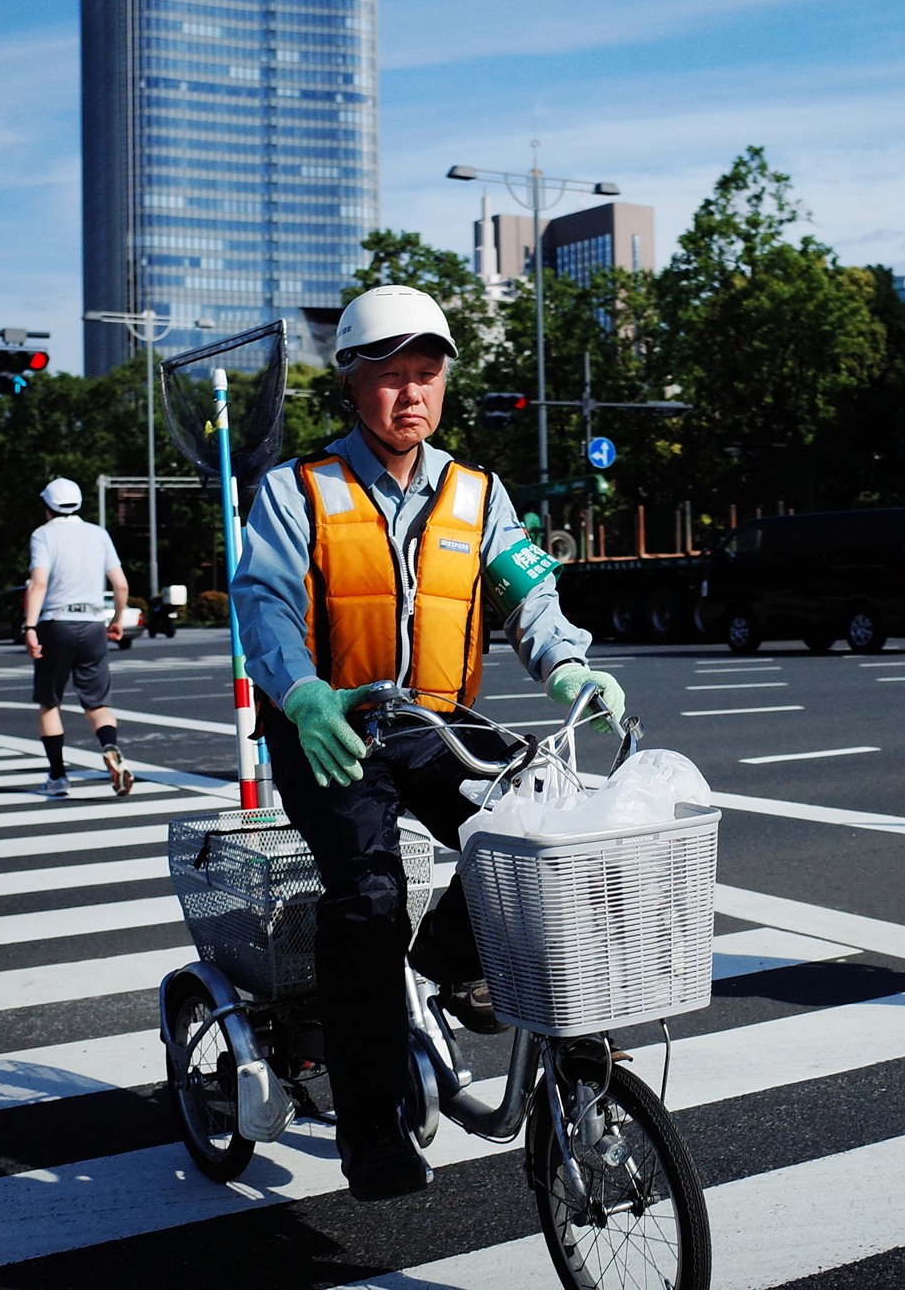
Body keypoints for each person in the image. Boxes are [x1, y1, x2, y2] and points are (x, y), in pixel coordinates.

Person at [234, 284, 624, 1204]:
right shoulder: (298, 492)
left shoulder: (479, 494)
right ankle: (372, 1130)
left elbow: (530, 594)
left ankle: (449, 960)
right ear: (351, 384)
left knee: (542, 827)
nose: (409, 395)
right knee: (366, 898)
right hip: (330, 727)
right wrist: (300, 696)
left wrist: (567, 668)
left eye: (426, 376)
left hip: (434, 723)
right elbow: (263, 605)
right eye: (390, 377)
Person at [23, 477, 133, 799]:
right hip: (92, 623)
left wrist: (29, 627)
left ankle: (58, 777)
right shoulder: (98, 534)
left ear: (47, 507)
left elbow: (38, 584)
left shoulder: (42, 535)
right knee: (97, 703)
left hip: (56, 623)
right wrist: (116, 621)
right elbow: (121, 585)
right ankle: (111, 748)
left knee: (49, 701)